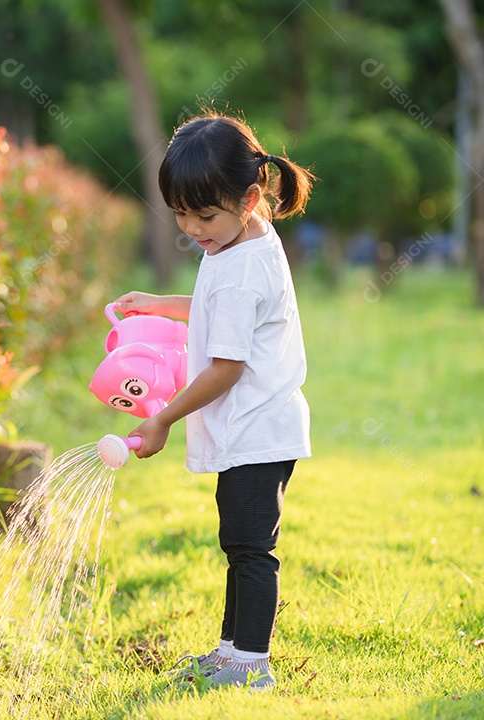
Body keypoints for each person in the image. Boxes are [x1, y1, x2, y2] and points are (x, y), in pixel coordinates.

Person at [113, 112, 315, 690]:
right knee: (241, 545)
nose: (191, 226)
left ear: (250, 197)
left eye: (204, 215)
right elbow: (213, 307)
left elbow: (226, 367)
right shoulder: (243, 238)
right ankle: (231, 653)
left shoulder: (240, 267)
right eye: (180, 213)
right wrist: (160, 303)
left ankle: (251, 667)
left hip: (256, 430)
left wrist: (162, 418)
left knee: (252, 553)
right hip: (256, 427)